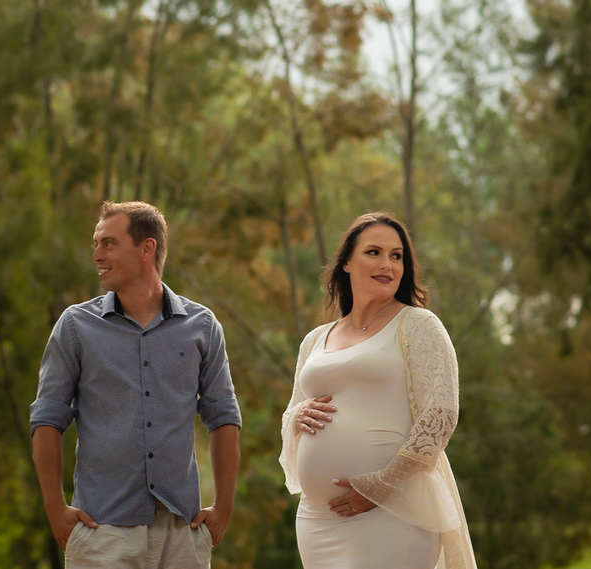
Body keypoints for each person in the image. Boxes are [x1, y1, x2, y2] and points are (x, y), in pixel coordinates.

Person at [30, 201, 242, 569]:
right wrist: (55, 508)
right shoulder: (76, 326)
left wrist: (223, 508)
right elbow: (47, 417)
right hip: (101, 533)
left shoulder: (202, 326)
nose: (97, 255)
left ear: (147, 248)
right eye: (96, 244)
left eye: (108, 243)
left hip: (182, 533)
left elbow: (223, 418)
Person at [280, 212, 477, 569]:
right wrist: (297, 415)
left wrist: (381, 487)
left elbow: (441, 413)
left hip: (393, 511)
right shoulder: (315, 340)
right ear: (346, 263)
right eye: (374, 252)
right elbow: (293, 409)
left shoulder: (418, 325)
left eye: (396, 255)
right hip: (318, 520)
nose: (387, 263)